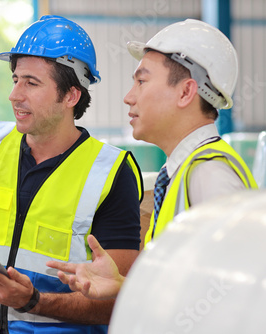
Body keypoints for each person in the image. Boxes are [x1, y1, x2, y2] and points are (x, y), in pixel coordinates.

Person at [0, 15, 144, 333]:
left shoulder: (110, 173)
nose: (15, 94)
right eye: (15, 79)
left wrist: (33, 301)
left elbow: (115, 304)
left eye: (31, 82)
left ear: (71, 95)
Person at [47, 18, 258, 299]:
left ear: (185, 92)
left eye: (142, 81)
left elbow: (238, 298)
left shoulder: (210, 174)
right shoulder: (181, 172)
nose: (128, 97)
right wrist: (124, 287)